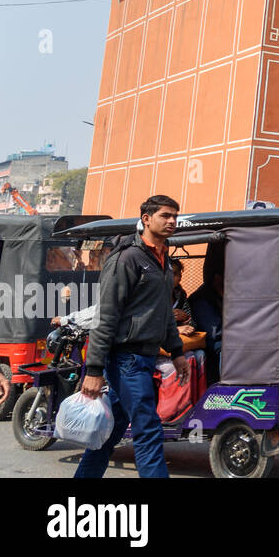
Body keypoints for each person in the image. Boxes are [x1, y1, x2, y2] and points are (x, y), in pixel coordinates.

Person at [75, 195, 189, 479]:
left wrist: (176, 352)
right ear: (146, 219)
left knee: (107, 432)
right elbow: (106, 316)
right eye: (165, 215)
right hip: (125, 359)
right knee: (147, 429)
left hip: (145, 358)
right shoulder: (127, 257)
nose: (172, 221)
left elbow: (163, 312)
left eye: (175, 215)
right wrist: (94, 369)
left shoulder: (162, 259)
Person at [190, 245, 226, 383]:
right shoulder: (202, 299)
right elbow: (214, 333)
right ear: (217, 278)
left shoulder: (219, 296)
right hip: (210, 343)